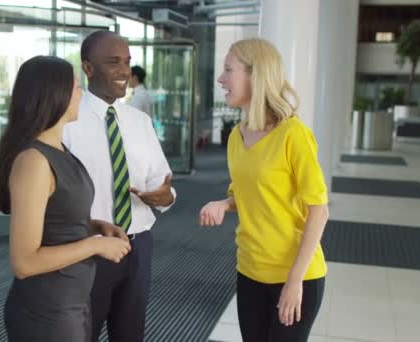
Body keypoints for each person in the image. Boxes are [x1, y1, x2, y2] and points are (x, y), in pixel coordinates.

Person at [0, 55, 131, 342]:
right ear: (55, 95)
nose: (82, 94)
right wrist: (96, 245)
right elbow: (24, 262)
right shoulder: (34, 161)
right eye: (77, 87)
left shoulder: (59, 150)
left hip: (71, 304)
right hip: (46, 313)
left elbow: (55, 217)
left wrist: (94, 225)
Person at [199, 38, 329, 342]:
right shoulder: (236, 137)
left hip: (295, 275)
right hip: (249, 269)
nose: (221, 79)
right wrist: (224, 204)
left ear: (255, 75)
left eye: (228, 70)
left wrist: (294, 281)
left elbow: (318, 210)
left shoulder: (293, 135)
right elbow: (246, 193)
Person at [63, 31, 176, 342]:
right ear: (88, 68)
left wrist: (165, 196)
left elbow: (163, 182)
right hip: (87, 248)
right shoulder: (65, 123)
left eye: (127, 62)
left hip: (139, 247)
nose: (124, 71)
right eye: (113, 62)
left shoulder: (139, 121)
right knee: (81, 333)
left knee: (130, 334)